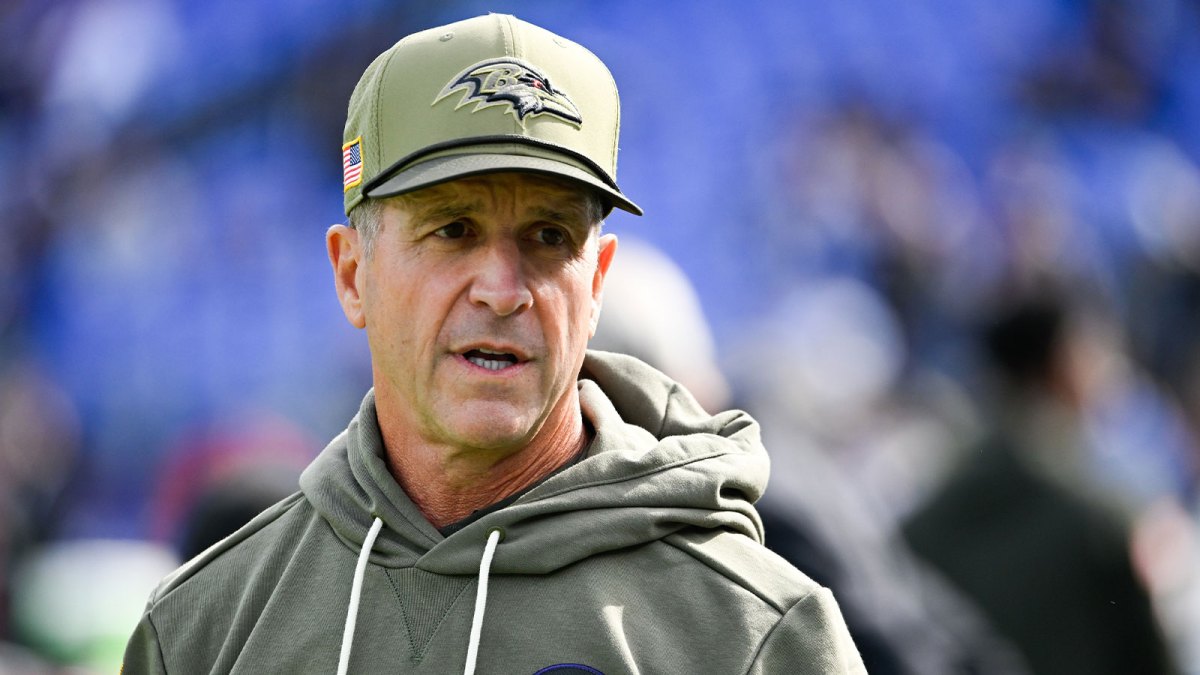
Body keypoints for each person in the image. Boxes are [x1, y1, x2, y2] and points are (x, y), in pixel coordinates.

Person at [121, 14, 864, 674]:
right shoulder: (203, 627)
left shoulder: (753, 633)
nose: (503, 289)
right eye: (453, 230)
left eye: (549, 236)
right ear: (352, 274)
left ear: (597, 284)